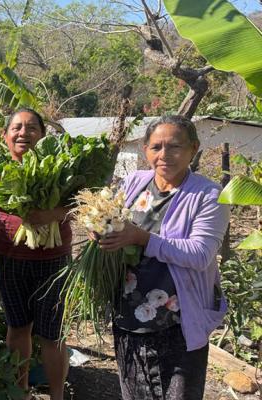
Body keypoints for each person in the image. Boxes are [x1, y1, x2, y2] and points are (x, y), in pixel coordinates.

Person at [97, 115, 229, 399]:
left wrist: (141, 238)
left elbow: (201, 254)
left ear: (193, 149)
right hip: (128, 319)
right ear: (145, 149)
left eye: (175, 147)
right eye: (156, 147)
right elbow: (108, 223)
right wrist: (101, 232)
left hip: (175, 326)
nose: (164, 155)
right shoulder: (133, 183)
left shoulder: (208, 195)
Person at [0, 108, 71, 400]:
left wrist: (51, 213)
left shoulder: (62, 168)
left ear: (42, 135)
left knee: (52, 336)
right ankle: (20, 393)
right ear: (5, 136)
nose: (23, 133)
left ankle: (57, 396)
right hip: (10, 261)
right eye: (16, 128)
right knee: (17, 329)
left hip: (54, 263)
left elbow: (82, 204)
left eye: (31, 128)